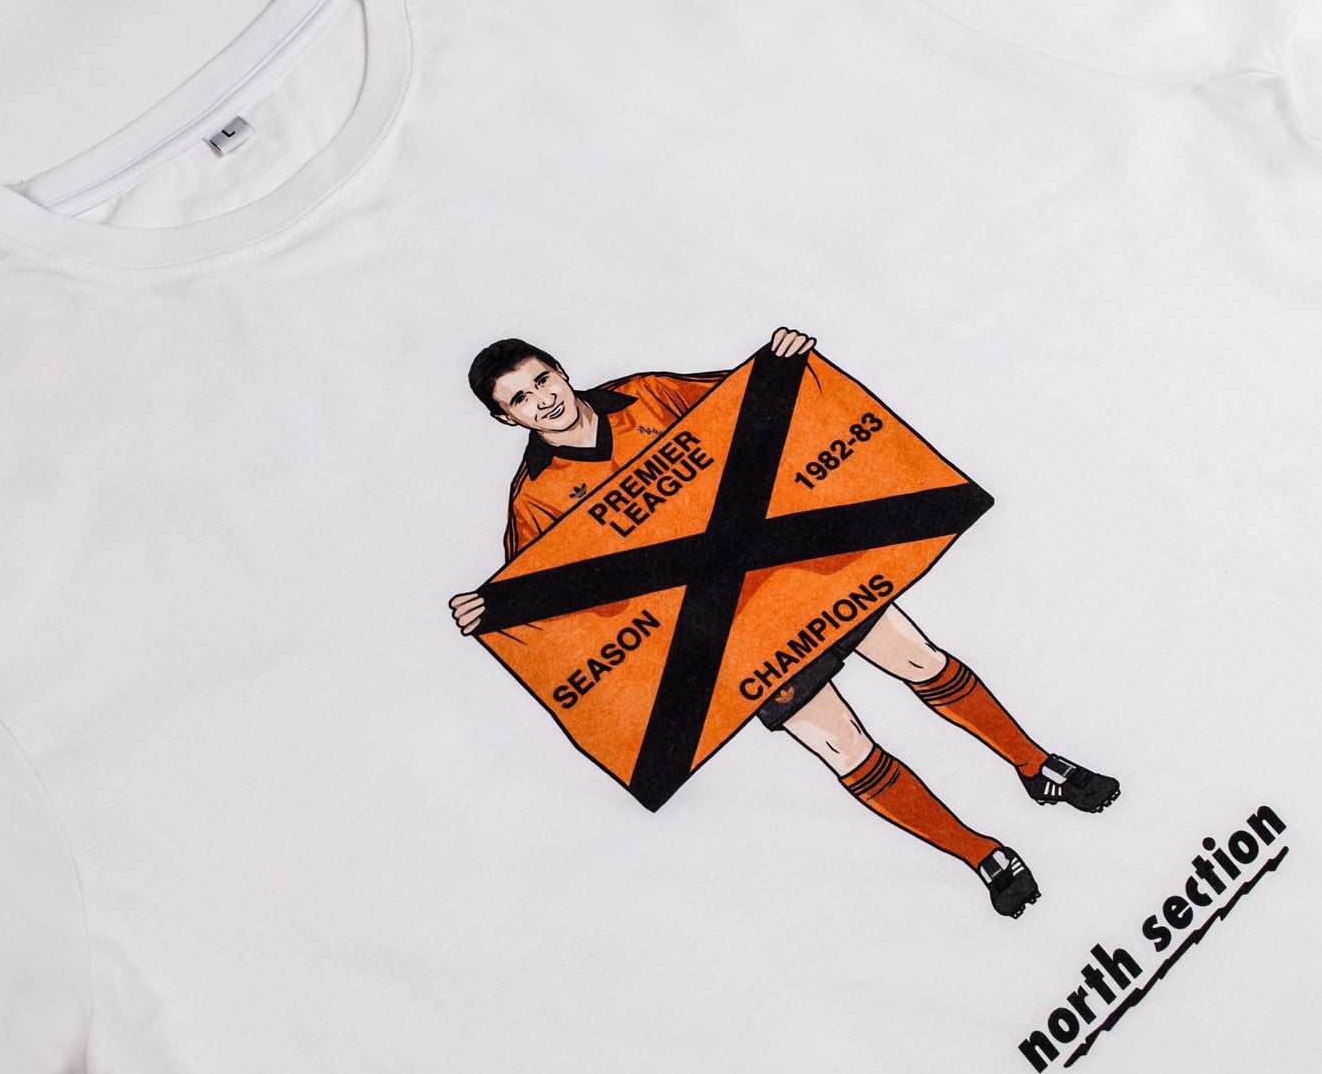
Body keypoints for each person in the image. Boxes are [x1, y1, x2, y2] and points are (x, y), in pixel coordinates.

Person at [448, 329, 1119, 918]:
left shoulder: (646, 395)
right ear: (506, 419)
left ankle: (1038, 766)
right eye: (521, 399)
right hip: (723, 635)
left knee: (921, 660)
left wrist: (782, 362)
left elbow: (750, 409)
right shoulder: (534, 500)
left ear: (560, 370)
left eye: (542, 379)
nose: (543, 400)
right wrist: (497, 608)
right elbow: (563, 610)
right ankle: (981, 855)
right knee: (845, 746)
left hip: (796, 571)